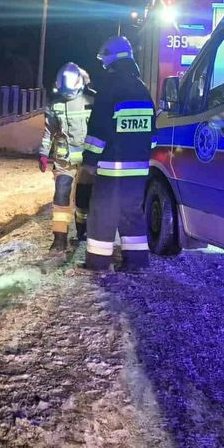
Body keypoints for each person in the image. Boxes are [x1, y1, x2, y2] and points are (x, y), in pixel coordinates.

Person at [82, 36, 155, 272]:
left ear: (112, 58)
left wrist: (90, 160)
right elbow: (152, 135)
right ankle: (136, 262)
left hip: (111, 168)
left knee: (102, 214)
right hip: (139, 169)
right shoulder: (142, 89)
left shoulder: (110, 88)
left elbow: (98, 131)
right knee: (131, 214)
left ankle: (98, 262)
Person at [40, 62, 94, 251]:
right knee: (61, 195)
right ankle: (59, 239)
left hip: (88, 161)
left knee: (83, 199)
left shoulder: (91, 101)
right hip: (65, 160)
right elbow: (49, 131)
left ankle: (82, 231)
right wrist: (43, 153)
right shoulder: (55, 105)